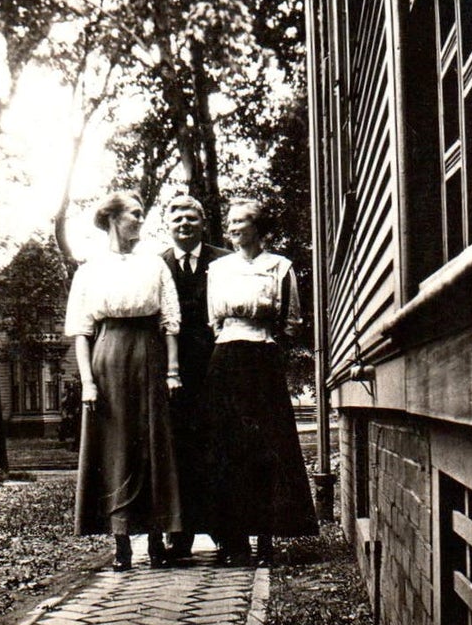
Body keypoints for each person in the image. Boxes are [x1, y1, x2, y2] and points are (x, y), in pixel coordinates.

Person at [64, 191, 183, 570]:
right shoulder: (90, 269)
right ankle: (121, 544)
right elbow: (82, 331)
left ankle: (155, 540)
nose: (139, 221)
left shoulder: (154, 265)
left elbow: (169, 321)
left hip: (149, 354)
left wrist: (173, 371)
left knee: (152, 443)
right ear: (113, 219)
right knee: (116, 447)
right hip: (108, 356)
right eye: (134, 214)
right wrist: (88, 382)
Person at [204, 198, 318, 565]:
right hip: (225, 358)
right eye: (230, 222)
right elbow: (213, 320)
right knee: (228, 445)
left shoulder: (280, 267)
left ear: (258, 226)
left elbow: (292, 320)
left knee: (267, 446)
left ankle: (266, 536)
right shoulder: (218, 269)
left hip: (262, 357)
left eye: (242, 221)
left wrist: (267, 340)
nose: (234, 227)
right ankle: (233, 539)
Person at [148, 194, 230, 565]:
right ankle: (179, 536)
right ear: (168, 224)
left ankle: (226, 532)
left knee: (217, 448)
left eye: (191, 218)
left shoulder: (224, 262)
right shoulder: (155, 265)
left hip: (216, 368)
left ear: (203, 224)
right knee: (178, 451)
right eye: (177, 218)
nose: (184, 224)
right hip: (172, 374)